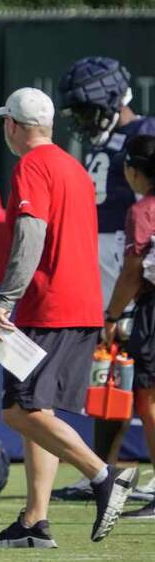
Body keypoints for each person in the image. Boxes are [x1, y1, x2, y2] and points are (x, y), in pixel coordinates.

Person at [0, 87, 137, 549]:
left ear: (12, 125)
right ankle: (35, 521)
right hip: (79, 302)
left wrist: (6, 297)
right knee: (36, 410)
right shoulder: (73, 166)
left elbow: (31, 233)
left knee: (18, 410)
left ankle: (103, 477)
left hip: (48, 305)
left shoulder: (31, 166)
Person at [52, 56, 155, 503]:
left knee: (143, 378)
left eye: (89, 111)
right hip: (106, 260)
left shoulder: (144, 135)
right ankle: (101, 471)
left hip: (134, 261)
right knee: (110, 370)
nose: (84, 123)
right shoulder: (107, 139)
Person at [100, 134, 155, 520]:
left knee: (149, 400)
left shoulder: (143, 211)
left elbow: (133, 272)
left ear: (134, 171)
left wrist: (112, 314)